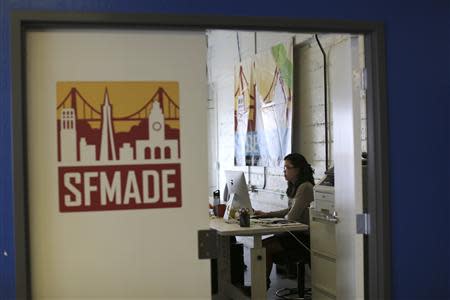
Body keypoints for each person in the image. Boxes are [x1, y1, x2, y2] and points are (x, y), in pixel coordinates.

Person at [253, 153, 315, 288]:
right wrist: (267, 215)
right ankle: (261, 286)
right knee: (261, 245)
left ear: (298, 169)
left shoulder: (305, 187)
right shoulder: (295, 186)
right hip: (295, 234)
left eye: (288, 167)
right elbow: (289, 211)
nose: (284, 171)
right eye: (284, 167)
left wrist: (276, 220)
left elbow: (291, 217)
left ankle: (260, 288)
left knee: (263, 247)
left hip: (303, 239)